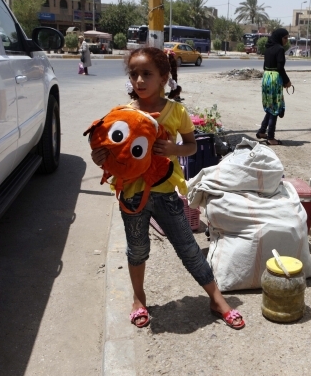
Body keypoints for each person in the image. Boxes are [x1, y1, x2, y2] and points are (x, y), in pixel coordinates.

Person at [91, 47, 245, 330]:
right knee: (137, 250)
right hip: (132, 196)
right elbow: (111, 150)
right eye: (134, 74)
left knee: (188, 247)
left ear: (163, 77)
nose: (139, 80)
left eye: (146, 74)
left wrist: (175, 147)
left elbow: (192, 144)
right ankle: (139, 299)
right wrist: (99, 158)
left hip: (165, 193)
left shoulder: (177, 111)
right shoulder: (123, 115)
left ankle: (216, 299)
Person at [256, 28, 292, 145]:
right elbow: (280, 68)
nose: (286, 40)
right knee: (275, 107)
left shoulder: (268, 48)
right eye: (285, 38)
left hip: (266, 77)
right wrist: (287, 81)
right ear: (279, 38)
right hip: (274, 79)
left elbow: (264, 66)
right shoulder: (280, 49)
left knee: (269, 106)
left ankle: (262, 131)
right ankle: (271, 137)